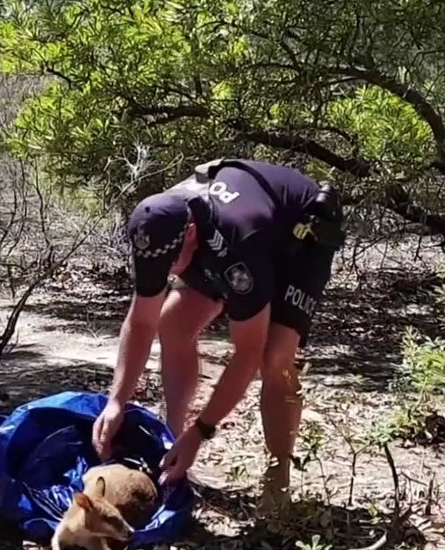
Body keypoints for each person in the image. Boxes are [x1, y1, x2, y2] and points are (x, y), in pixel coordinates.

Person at [91, 158, 345, 513]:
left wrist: (201, 431)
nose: (165, 273)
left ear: (190, 235)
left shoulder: (238, 246)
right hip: (223, 239)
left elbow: (247, 352)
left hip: (302, 233)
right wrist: (116, 401)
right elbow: (142, 321)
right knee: (173, 323)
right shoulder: (156, 228)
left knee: (274, 356)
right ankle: (171, 441)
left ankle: (278, 475)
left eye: (170, 265)